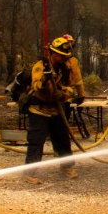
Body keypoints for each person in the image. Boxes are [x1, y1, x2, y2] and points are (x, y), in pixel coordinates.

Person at [23, 36, 80, 184]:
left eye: (65, 56)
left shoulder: (65, 68)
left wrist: (63, 93)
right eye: (61, 55)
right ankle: (30, 172)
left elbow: (71, 87)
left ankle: (66, 166)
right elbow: (35, 86)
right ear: (53, 53)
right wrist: (45, 80)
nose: (63, 58)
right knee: (36, 140)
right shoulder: (40, 66)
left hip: (56, 109)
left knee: (62, 139)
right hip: (39, 109)